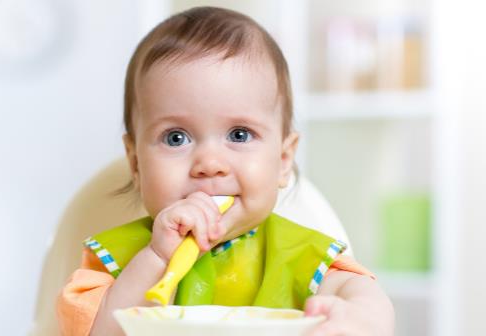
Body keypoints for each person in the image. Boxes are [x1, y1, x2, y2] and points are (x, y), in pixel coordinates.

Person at [57, 6, 394, 336]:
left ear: (282, 159)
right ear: (135, 163)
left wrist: (361, 320)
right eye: (176, 138)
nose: (209, 164)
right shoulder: (116, 261)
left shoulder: (302, 257)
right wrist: (156, 258)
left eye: (239, 135)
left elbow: (361, 293)